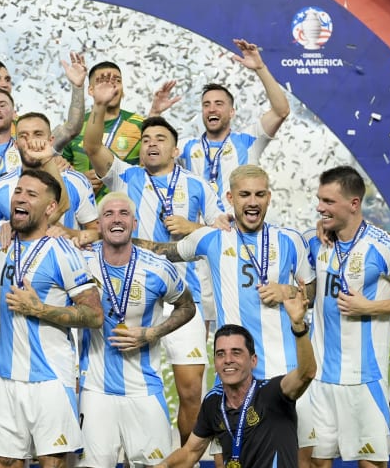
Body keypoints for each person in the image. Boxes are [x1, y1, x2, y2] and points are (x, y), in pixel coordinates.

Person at [137, 165, 316, 466]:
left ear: (269, 198)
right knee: (227, 459)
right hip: (232, 370)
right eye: (245, 194)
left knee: (298, 460)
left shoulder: (290, 240)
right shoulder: (211, 238)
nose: (253, 202)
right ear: (231, 197)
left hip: (283, 373)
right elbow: (164, 251)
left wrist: (286, 290)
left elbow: (308, 290)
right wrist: (113, 240)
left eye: (260, 194)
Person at [83, 108, 225, 444]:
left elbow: (222, 231)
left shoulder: (197, 185)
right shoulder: (126, 177)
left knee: (191, 391)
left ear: (176, 150)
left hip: (181, 299)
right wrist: (99, 104)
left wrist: (193, 228)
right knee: (129, 387)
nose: (151, 144)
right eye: (145, 139)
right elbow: (91, 146)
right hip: (130, 299)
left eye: (160, 139)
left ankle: (184, 462)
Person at [306, 166, 390, 468]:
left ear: (354, 204)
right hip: (320, 378)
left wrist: (369, 307)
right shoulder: (314, 241)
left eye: (329, 202)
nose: (321, 208)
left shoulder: (384, 246)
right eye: (320, 200)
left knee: (371, 464)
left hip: (365, 379)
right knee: (313, 462)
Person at [0, 169, 103, 468]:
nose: (21, 199)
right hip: (4, 377)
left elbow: (94, 315)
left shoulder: (63, 250)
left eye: (31, 194)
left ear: (51, 208)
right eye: (18, 192)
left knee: (52, 462)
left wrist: (40, 310)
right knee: (3, 462)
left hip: (49, 377)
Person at [76, 192, 196, 468]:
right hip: (96, 391)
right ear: (99, 225)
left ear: (134, 221)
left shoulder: (158, 268)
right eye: (108, 214)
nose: (116, 219)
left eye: (123, 214)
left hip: (145, 388)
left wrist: (152, 333)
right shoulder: (81, 262)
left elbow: (187, 307)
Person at [159, 284, 317, 468]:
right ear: (215, 363)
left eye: (236, 352)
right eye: (220, 354)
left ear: (253, 360)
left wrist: (298, 327)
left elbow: (306, 373)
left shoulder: (273, 393)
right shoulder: (213, 402)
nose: (228, 360)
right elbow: (190, 452)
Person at [178, 39, 290, 201]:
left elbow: (281, 112)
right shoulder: (186, 146)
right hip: (199, 226)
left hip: (237, 226)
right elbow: (151, 155)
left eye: (219, 104)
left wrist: (260, 68)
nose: (212, 109)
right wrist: (155, 112)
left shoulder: (248, 140)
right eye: (206, 104)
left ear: (232, 112)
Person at [62, 60, 179, 198]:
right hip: (80, 213)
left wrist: (154, 114)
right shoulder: (75, 127)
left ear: (122, 88)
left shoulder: (139, 125)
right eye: (102, 81)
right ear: (91, 90)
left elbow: (151, 170)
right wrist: (80, 180)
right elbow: (60, 170)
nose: (110, 85)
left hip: (126, 212)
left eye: (116, 81)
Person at [0, 112, 97, 235]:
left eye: (38, 134)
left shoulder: (76, 181)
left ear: (51, 140)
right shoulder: (1, 186)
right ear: (15, 144)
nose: (31, 141)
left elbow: (97, 234)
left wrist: (66, 233)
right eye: (23, 136)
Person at [0, 57, 87, 151]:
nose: (4, 84)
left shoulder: (29, 127)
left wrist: (78, 87)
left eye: (7, 80)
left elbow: (70, 129)